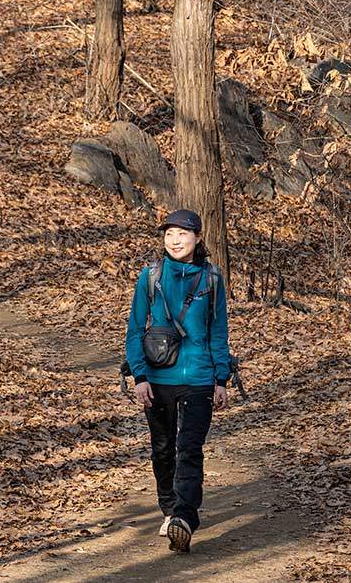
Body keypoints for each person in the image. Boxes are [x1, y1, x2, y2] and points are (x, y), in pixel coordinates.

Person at [125, 208, 231, 554]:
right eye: (169, 234)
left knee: (189, 449)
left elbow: (218, 333)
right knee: (162, 448)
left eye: (182, 234)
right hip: (157, 378)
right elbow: (134, 331)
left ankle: (183, 518)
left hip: (200, 378)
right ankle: (169, 508)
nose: (175, 240)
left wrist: (221, 379)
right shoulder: (151, 277)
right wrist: (139, 376)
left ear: (197, 237)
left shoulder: (212, 280)